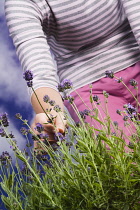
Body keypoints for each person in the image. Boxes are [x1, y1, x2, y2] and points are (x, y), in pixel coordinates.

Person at [5, 0, 140, 145]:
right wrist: (51, 116)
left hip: (135, 55)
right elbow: (39, 71)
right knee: (122, 157)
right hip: (86, 87)